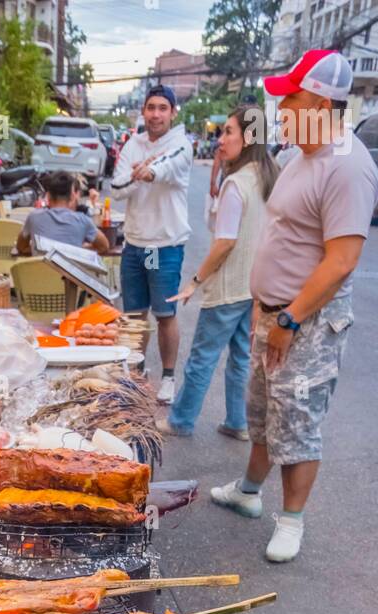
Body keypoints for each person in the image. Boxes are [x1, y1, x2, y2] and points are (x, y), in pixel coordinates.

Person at [210, 50, 378, 562]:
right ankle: (247, 491)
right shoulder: (297, 156)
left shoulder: (348, 167)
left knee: (297, 423)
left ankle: (292, 521)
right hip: (272, 313)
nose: (280, 106)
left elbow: (343, 260)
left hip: (306, 319)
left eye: (290, 98)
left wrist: (289, 318)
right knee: (261, 412)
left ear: (321, 102)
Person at [159, 107, 278, 440]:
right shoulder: (271, 176)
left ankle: (180, 420)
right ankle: (238, 422)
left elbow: (224, 242)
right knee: (241, 358)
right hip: (255, 288)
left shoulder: (237, 183)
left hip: (228, 287)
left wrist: (195, 282)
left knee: (202, 358)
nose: (220, 139)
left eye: (228, 132)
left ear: (248, 137)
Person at [111, 83, 193, 403]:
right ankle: (136, 374)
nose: (156, 114)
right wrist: (137, 175)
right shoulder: (133, 143)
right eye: (151, 108)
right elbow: (116, 188)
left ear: (173, 113)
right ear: (143, 111)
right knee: (133, 316)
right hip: (134, 243)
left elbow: (167, 167)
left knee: (164, 314)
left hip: (163, 246)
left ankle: (169, 378)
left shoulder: (182, 144)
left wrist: (148, 172)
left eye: (162, 108)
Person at [16, 172, 109, 255]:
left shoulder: (33, 217)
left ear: (47, 196)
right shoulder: (83, 220)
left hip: (39, 273)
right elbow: (104, 247)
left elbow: (21, 247)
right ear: (73, 196)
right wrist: (77, 249)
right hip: (71, 274)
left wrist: (40, 250)